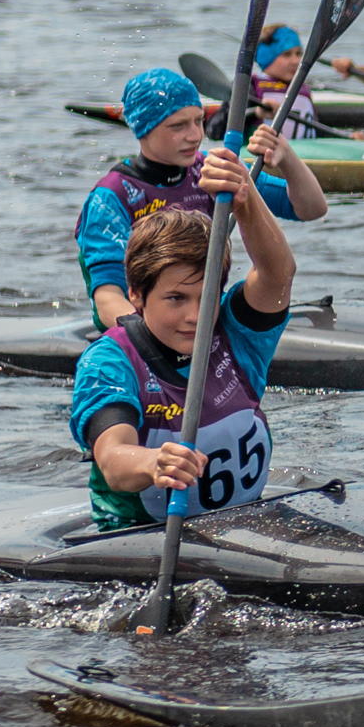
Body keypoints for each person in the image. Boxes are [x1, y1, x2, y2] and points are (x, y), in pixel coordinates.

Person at [70, 167, 296, 532]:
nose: (195, 316)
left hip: (244, 527)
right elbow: (112, 458)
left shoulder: (236, 332)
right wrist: (153, 463)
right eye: (175, 298)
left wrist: (246, 199)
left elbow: (277, 274)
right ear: (137, 295)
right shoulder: (111, 361)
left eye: (205, 297)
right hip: (136, 535)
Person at [76, 68, 325, 332]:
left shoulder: (212, 169)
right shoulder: (111, 197)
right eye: (178, 126)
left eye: (198, 121)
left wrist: (287, 158)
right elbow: (107, 299)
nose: (195, 135)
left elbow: (311, 209)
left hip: (199, 318)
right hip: (137, 327)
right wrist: (161, 343)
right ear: (144, 130)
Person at [250, 23, 320, 139]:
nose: (296, 61)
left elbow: (316, 131)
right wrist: (256, 113)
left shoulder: (303, 88)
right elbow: (216, 128)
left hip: (301, 155)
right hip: (266, 154)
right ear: (266, 57)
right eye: (287, 54)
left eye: (299, 54)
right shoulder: (251, 86)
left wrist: (348, 137)